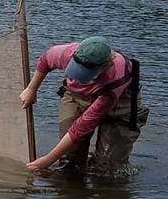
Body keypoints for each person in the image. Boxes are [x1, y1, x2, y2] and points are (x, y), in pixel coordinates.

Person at [19, 36, 147, 173]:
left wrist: (48, 160)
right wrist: (32, 89)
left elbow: (81, 127)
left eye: (84, 74)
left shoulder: (114, 79)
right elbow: (46, 60)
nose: (77, 77)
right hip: (76, 96)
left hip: (121, 105)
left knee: (108, 168)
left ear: (106, 66)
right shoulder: (66, 53)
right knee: (69, 158)